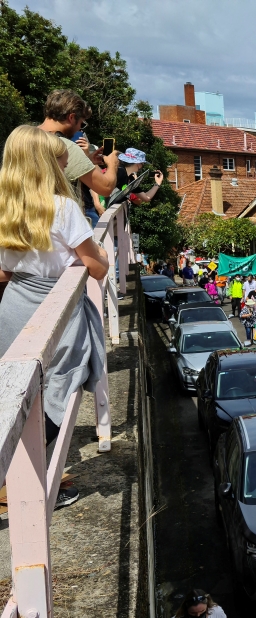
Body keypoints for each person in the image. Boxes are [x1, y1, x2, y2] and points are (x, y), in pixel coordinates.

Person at [0, 126, 109, 453]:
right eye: (61, 165)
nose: (65, 170)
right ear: (47, 167)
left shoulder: (7, 208)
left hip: (14, 307)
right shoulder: (62, 208)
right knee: (58, 389)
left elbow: (4, 270)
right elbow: (96, 268)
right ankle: (19, 479)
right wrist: (100, 253)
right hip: (55, 312)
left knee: (14, 390)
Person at [37, 90, 119, 199]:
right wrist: (113, 165)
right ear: (71, 117)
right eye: (81, 123)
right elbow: (105, 188)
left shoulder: (21, 136)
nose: (79, 129)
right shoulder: (65, 147)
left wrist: (86, 161)